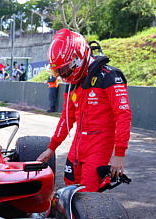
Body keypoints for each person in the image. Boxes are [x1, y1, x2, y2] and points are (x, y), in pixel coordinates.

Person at [36, 29, 132, 192]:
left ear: (78, 58)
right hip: (78, 146)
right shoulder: (73, 84)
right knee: (69, 189)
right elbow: (67, 119)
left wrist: (119, 154)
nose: (63, 75)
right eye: (58, 71)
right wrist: (52, 147)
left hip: (99, 146)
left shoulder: (109, 76)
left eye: (65, 69)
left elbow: (123, 115)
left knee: (88, 196)